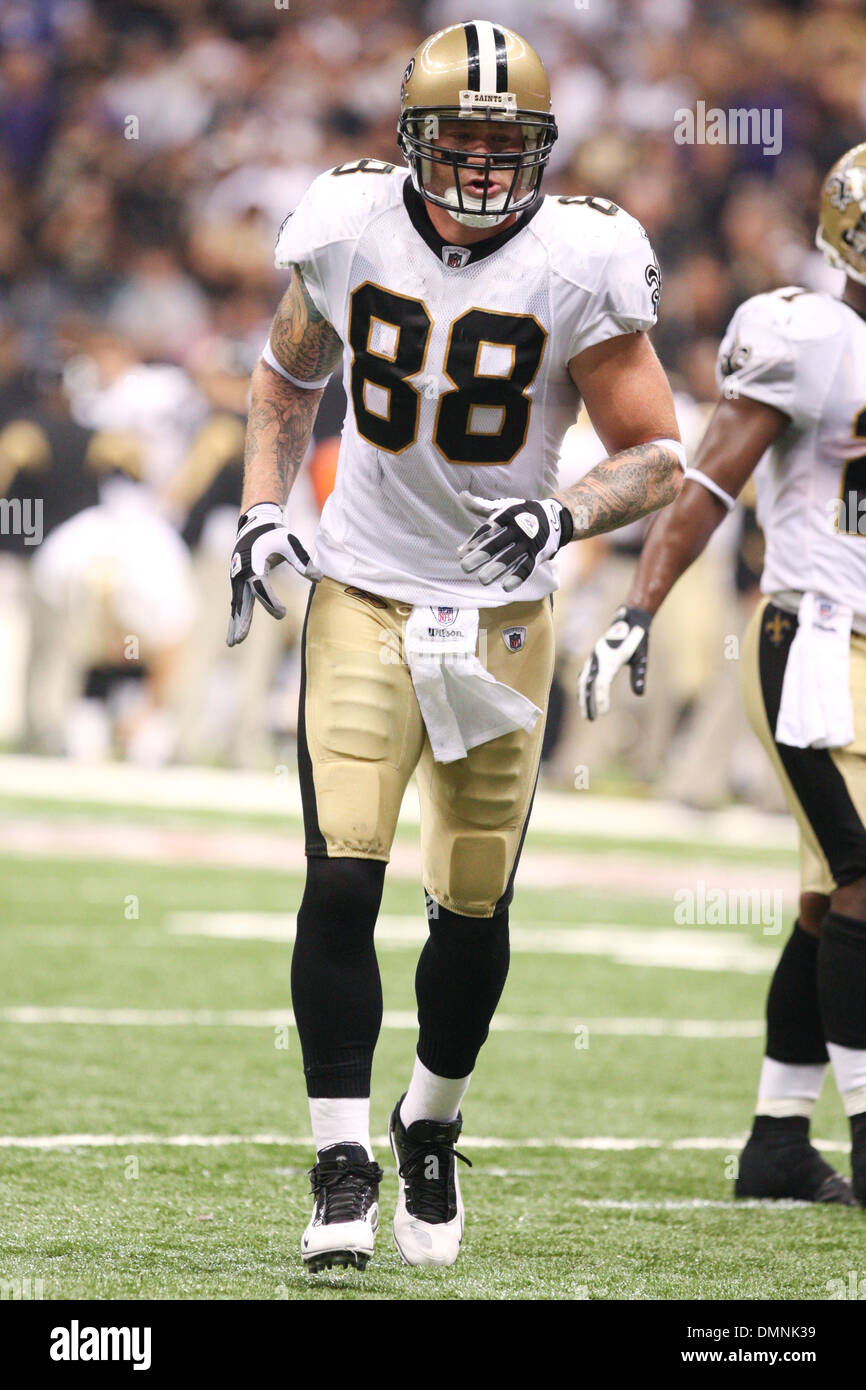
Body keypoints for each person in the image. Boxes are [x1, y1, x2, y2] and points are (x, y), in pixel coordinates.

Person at [227, 20, 683, 1273]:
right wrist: (265, 508)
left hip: (504, 614)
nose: (482, 165)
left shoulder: (584, 258)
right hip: (362, 595)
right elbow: (281, 378)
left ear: (539, 149)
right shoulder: (342, 228)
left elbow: (657, 448)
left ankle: (428, 1121)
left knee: (469, 907)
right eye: (462, 139)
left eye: (504, 142)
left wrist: (563, 508)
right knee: (339, 877)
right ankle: (337, 1163)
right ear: (412, 139)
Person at [578, 142, 866, 1208]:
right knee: (859, 880)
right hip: (813, 646)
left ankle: (775, 1144)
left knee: (819, 902)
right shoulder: (816, 340)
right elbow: (707, 482)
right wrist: (638, 607)